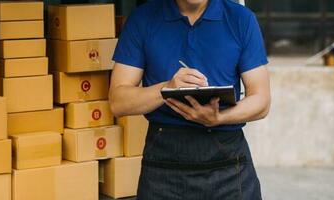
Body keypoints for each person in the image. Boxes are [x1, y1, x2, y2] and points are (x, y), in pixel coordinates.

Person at [109, 0, 270, 199]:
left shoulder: (241, 18)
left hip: (228, 160)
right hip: (164, 160)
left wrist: (219, 117)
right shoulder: (143, 18)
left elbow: (261, 100)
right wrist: (167, 87)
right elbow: (118, 102)